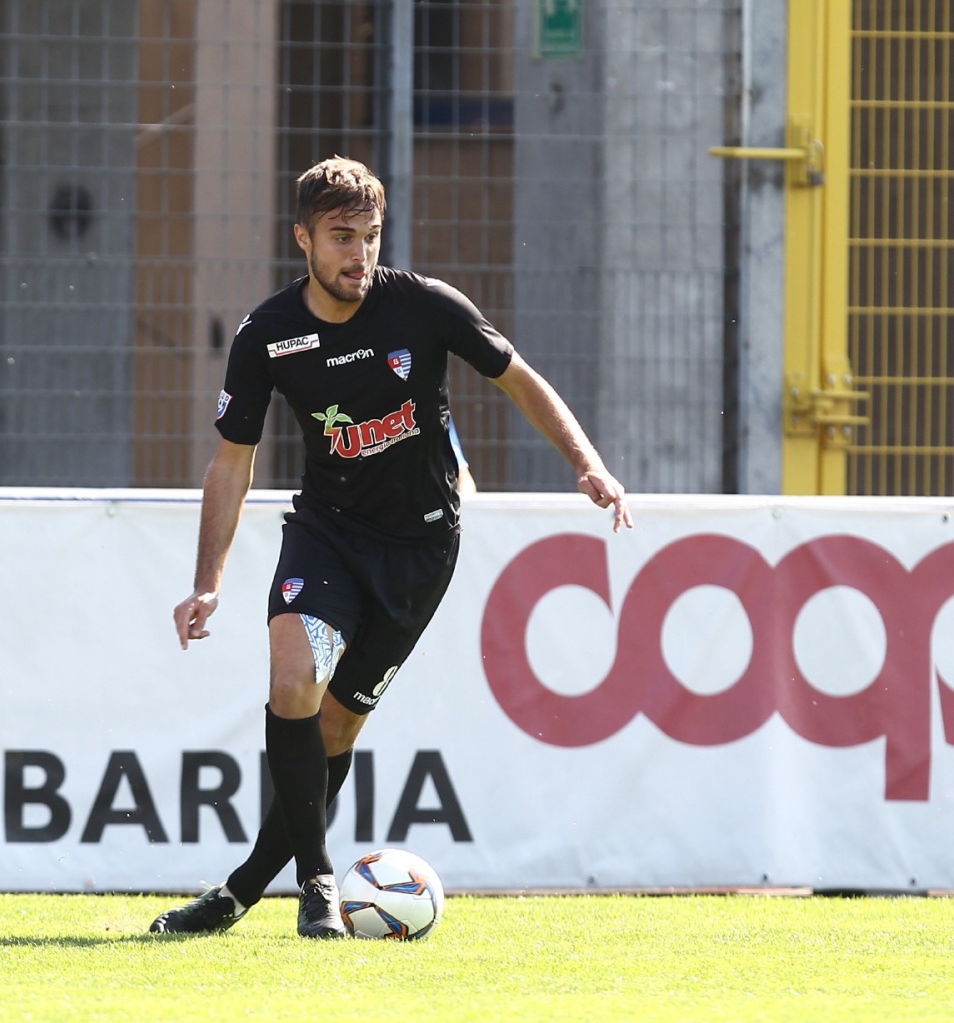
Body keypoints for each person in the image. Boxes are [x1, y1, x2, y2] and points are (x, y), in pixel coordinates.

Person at [152, 157, 630, 938]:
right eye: (342, 237)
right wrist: (208, 580)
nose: (359, 255)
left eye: (371, 237)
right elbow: (231, 460)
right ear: (302, 237)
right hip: (327, 533)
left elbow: (519, 377)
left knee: (335, 730)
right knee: (293, 675)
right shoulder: (269, 334)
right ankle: (316, 883)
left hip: (420, 549)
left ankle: (237, 892)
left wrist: (587, 462)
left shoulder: (425, 307)